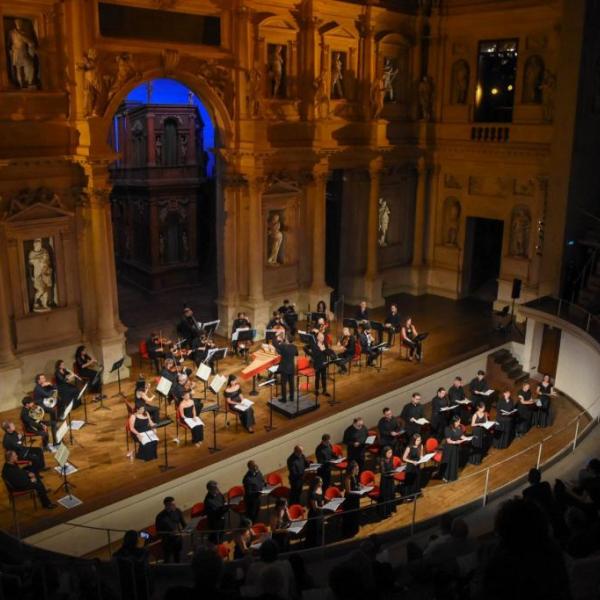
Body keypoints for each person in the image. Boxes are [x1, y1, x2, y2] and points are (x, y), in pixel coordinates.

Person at [155, 496, 186, 563]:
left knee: (177, 558)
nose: (175, 506)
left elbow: (184, 524)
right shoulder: (160, 517)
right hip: (167, 542)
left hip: (177, 540)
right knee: (167, 560)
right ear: (167, 505)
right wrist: (169, 533)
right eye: (173, 504)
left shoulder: (177, 511)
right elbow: (159, 531)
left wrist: (186, 529)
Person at [441, 414, 470, 482]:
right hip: (449, 448)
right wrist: (456, 442)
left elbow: (462, 436)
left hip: (455, 448)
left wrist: (468, 438)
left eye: (459, 422)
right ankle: (445, 477)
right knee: (448, 462)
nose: (459, 423)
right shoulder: (447, 428)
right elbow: (448, 440)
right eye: (457, 422)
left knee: (454, 462)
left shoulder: (459, 428)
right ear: (453, 422)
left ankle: (453, 476)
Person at [32, 374, 58, 445]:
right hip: (40, 407)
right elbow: (48, 395)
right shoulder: (38, 388)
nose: (44, 379)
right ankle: (54, 423)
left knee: (55, 406)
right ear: (38, 381)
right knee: (53, 410)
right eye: (42, 378)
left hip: (44, 403)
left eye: (44, 378)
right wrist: (50, 386)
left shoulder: (42, 386)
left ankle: (54, 423)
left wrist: (51, 384)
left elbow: (55, 388)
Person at [274, 333, 298, 404]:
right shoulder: (294, 346)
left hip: (284, 368)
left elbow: (275, 344)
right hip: (292, 367)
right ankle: (291, 397)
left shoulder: (283, 346)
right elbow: (296, 354)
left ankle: (284, 399)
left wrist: (276, 337)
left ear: (287, 339)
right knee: (291, 383)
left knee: (284, 384)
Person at [204, 480, 228, 545]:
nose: (218, 489)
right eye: (216, 488)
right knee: (216, 537)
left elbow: (223, 500)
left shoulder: (218, 493)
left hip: (222, 517)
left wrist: (226, 504)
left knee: (222, 533)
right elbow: (213, 513)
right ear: (210, 490)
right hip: (215, 522)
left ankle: (221, 544)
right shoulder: (208, 501)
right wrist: (223, 509)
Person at [342, 460, 361, 538]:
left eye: (358, 469)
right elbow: (348, 491)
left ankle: (355, 530)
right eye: (356, 469)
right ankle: (349, 532)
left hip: (355, 498)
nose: (357, 471)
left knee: (355, 514)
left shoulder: (354, 476)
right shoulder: (348, 478)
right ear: (351, 469)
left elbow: (356, 485)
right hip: (350, 500)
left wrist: (361, 486)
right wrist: (358, 492)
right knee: (350, 516)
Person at [310, 332, 332, 397]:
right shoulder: (314, 345)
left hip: (324, 363)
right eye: (321, 337)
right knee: (317, 377)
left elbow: (328, 353)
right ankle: (316, 390)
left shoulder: (325, 344)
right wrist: (321, 349)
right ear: (317, 338)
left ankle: (324, 390)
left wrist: (324, 349)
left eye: (323, 337)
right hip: (317, 363)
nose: (323, 339)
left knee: (324, 377)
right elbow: (315, 355)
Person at [402, 433, 424, 497]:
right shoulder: (409, 447)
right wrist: (412, 461)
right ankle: (409, 496)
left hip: (417, 465)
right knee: (410, 481)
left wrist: (423, 458)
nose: (419, 442)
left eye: (420, 440)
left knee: (417, 479)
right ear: (414, 440)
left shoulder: (421, 446)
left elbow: (421, 455)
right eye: (417, 440)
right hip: (410, 466)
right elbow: (404, 458)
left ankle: (415, 493)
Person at [306, 476, 325, 547]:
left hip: (320, 512)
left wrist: (323, 502)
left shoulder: (320, 488)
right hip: (315, 514)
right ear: (316, 484)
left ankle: (320, 543)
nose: (322, 483)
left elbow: (321, 498)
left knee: (320, 528)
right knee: (315, 530)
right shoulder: (312, 494)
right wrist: (324, 508)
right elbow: (315, 508)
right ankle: (314, 545)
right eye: (320, 482)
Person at [378, 446, 396, 519]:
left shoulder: (391, 459)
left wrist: (395, 470)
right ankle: (385, 512)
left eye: (391, 452)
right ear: (385, 453)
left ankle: (391, 509)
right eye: (388, 452)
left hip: (391, 479)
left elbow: (392, 468)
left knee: (391, 493)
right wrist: (390, 473)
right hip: (385, 481)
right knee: (386, 496)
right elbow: (383, 473)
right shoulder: (382, 460)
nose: (390, 454)